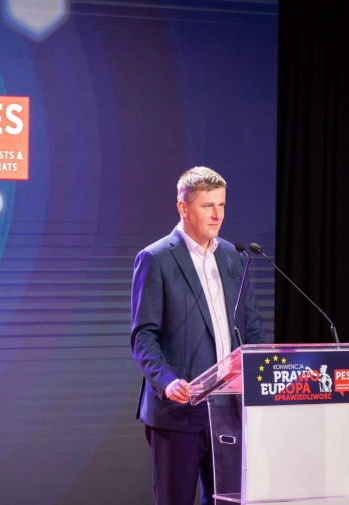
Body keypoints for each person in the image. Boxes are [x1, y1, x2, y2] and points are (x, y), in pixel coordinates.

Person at [130, 166, 271, 505]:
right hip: (179, 410)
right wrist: (167, 382)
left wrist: (267, 370)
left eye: (221, 205)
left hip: (230, 408)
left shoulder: (233, 257)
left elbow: (252, 327)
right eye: (208, 205)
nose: (217, 215)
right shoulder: (156, 259)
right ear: (183, 207)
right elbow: (144, 336)